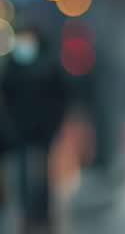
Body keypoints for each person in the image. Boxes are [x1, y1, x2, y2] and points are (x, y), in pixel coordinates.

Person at [2, 25, 69, 233]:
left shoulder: (48, 65)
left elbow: (60, 97)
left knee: (41, 176)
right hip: (18, 132)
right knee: (22, 176)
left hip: (42, 132)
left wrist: (52, 123)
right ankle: (27, 215)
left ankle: (41, 214)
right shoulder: (13, 66)